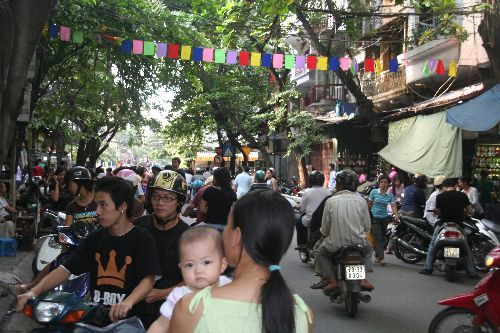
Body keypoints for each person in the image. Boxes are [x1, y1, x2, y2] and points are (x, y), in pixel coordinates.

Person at [17, 177, 162, 331]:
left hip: (130, 320)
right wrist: (33, 292)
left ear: (122, 206)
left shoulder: (142, 238)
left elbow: (148, 280)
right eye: (96, 205)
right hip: (94, 319)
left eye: (103, 205)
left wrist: (128, 302)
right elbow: (65, 269)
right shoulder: (95, 239)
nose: (97, 211)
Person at [169, 190, 313, 333]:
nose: (223, 232)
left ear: (237, 236)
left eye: (227, 225)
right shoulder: (303, 313)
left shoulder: (193, 308)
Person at [147, 226, 231, 333]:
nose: (198, 270)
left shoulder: (228, 286)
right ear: (181, 268)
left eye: (206, 262)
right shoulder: (179, 296)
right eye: (190, 265)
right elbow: (161, 325)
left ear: (223, 265)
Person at [134, 170, 190, 327]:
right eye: (156, 196)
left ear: (179, 202)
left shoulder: (188, 236)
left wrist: (164, 293)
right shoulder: (137, 226)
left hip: (171, 309)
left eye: (167, 198)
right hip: (134, 306)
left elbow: (195, 279)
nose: (160, 203)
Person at [314, 169, 374, 293]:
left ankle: (332, 281)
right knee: (369, 249)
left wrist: (324, 235)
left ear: (339, 184)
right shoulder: (362, 201)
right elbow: (367, 226)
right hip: (359, 243)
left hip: (334, 244)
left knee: (319, 251)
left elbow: (325, 228)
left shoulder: (330, 201)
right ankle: (363, 279)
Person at [419, 178, 478, 278]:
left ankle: (428, 267)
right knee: (466, 247)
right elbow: (470, 211)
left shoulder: (440, 196)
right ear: (455, 186)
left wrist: (438, 211)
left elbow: (438, 211)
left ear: (444, 187)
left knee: (433, 244)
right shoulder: (463, 195)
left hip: (443, 225)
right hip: (458, 225)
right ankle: (471, 271)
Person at [368, 175, 399, 266]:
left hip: (384, 219)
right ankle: (382, 258)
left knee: (382, 237)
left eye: (385, 182)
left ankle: (377, 255)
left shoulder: (389, 195)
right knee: (378, 237)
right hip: (374, 218)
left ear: (388, 184)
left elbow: (393, 205)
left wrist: (396, 215)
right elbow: (369, 205)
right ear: (379, 183)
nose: (383, 184)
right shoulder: (374, 192)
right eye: (382, 182)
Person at [296, 171, 331, 248]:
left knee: (298, 222)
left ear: (311, 180)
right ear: (322, 180)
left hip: (311, 220)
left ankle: (302, 244)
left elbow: (302, 208)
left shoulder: (307, 192)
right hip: (325, 220)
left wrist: (298, 206)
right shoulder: (328, 192)